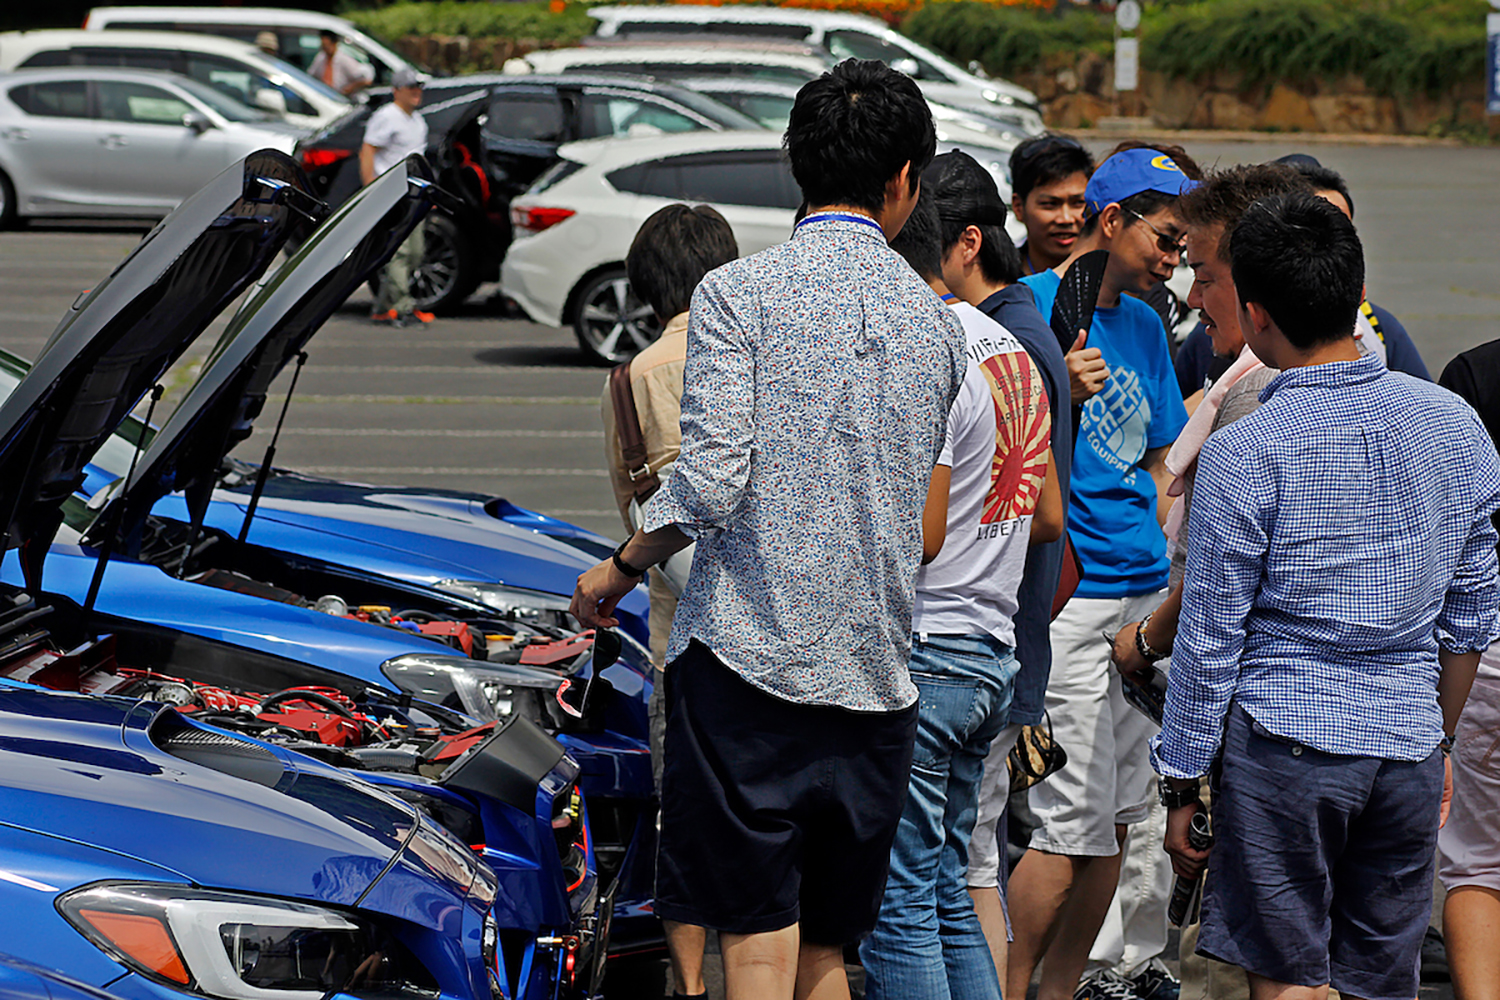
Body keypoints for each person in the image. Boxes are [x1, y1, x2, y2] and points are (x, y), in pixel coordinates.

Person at [570, 59, 964, 1000]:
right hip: (876, 677)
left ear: (796, 161)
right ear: (906, 178)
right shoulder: (939, 324)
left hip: (747, 669)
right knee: (831, 950)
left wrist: (618, 567)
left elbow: (708, 482)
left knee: (755, 938)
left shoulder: (736, 296)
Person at [1154, 190, 1500, 1000]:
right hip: (1408, 750)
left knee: (1287, 979)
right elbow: (1472, 614)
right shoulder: (1454, 424)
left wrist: (1182, 784)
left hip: (1287, 748)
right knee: (1383, 978)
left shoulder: (1249, 450)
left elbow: (1209, 643)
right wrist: (1435, 739)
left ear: (1257, 310)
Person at [1105, 162, 1313, 1000]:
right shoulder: (1381, 396)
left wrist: (1186, 781)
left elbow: (1215, 605)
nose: (1192, 293)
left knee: (1236, 969)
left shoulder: (1253, 405)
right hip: (1369, 748)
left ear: (1256, 278)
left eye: (1207, 272)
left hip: (1260, 737)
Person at [861, 187, 1062, 1000]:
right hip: (990, 649)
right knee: (947, 889)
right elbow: (1046, 514)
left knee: (900, 902)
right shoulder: (1010, 349)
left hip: (928, 646)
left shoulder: (925, 345)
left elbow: (922, 532)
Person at [1004, 147, 1194, 1000]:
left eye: (1185, 242)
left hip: (1143, 599)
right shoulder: (1034, 311)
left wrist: (1146, 516)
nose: (1174, 255)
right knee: (1061, 826)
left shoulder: (1149, 325)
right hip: (1069, 601)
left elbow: (1158, 450)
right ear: (1111, 222)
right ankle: (1005, 988)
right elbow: (995, 447)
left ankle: (1060, 991)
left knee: (1118, 822)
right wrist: (1061, 393)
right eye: (1164, 235)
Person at [924, 148, 1073, 987]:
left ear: (967, 242)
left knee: (936, 881)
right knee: (970, 864)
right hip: (999, 639)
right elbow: (1045, 510)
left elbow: (939, 528)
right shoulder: (1025, 339)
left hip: (958, 628)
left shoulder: (988, 341)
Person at [598, 203, 738, 1000]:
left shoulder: (635, 378)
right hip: (789, 627)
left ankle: (689, 984)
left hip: (686, 639)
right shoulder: (772, 354)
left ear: (647, 287)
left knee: (685, 819)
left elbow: (639, 513)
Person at [1437, 343, 1500, 1000]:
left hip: (1490, 649)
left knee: (1478, 864)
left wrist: (1441, 729)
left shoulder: (1476, 373)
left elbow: (1452, 533)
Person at [361, 69, 433, 328]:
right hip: (392, 193)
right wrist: (370, 188)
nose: (416, 92)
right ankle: (402, 308)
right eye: (411, 87)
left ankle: (382, 307)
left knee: (415, 252)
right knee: (400, 252)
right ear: (397, 91)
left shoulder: (418, 121)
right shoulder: (387, 117)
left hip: (413, 193)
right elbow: (368, 150)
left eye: (418, 87)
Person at [1009, 133, 1095, 278]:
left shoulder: (1119, 283)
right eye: (1050, 204)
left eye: (1078, 203)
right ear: (1018, 207)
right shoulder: (992, 285)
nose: (1066, 219)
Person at [309, 29, 373, 96]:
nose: (325, 50)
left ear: (334, 44)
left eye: (327, 46)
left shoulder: (344, 60)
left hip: (340, 96)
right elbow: (311, 75)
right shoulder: (321, 58)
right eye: (323, 46)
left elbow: (365, 79)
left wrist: (351, 87)